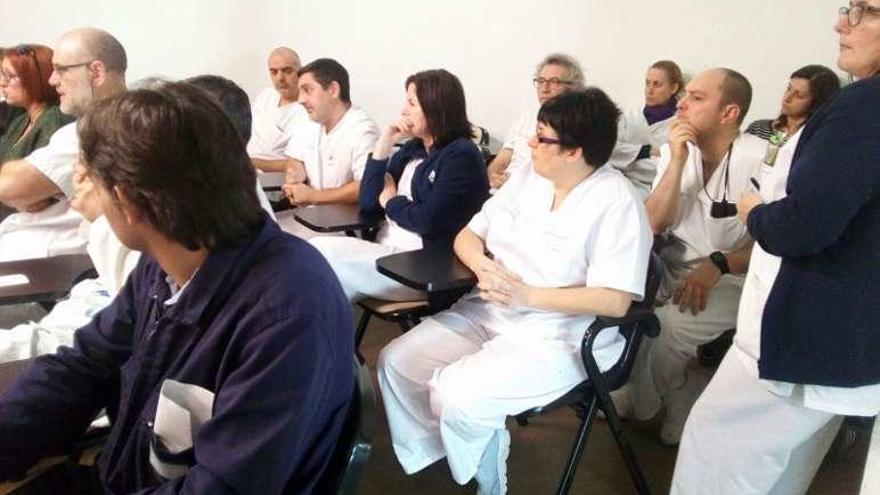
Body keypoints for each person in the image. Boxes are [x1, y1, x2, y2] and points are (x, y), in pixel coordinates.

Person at [0, 82, 355, 494]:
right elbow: (84, 365)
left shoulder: (285, 315)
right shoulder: (166, 265)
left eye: (89, 182)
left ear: (127, 203)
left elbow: (224, 487)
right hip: (130, 475)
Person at [378, 88, 652, 494]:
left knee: (458, 395)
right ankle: (461, 449)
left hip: (560, 335)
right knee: (395, 362)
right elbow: (468, 235)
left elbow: (614, 299)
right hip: (490, 311)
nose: (530, 143)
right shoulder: (529, 177)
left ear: (574, 151)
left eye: (541, 138)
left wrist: (529, 297)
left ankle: (490, 479)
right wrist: (483, 265)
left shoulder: (617, 203)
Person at [672, 4, 880, 493]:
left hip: (808, 332)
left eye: (865, 11)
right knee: (780, 465)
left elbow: (802, 226)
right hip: (847, 334)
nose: (841, 24)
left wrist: (754, 211)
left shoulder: (862, 108)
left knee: (717, 449)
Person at [0, 74, 276, 364]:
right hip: (98, 299)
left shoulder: (266, 306)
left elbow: (157, 347)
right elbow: (99, 347)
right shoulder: (153, 271)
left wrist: (102, 220)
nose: (54, 78)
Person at [621, 68, 765, 446]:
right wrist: (677, 163)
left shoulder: (761, 160)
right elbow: (654, 222)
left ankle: (647, 404)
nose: (681, 103)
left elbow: (772, 239)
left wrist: (718, 266)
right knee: (623, 309)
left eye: (697, 97)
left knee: (668, 327)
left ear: (729, 113)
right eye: (685, 94)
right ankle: (674, 391)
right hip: (668, 267)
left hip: (733, 276)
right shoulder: (674, 150)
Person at [311, 69, 489, 302]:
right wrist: (382, 148)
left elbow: (427, 221)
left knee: (319, 254)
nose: (403, 111)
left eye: (412, 103)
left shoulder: (461, 156)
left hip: (421, 265)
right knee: (323, 285)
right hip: (388, 254)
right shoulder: (412, 149)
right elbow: (367, 205)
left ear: (436, 108)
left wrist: (391, 201)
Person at [0, 28, 127, 261]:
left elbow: (8, 186)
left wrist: (19, 191)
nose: (52, 80)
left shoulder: (101, 129)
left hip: (48, 256)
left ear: (96, 72)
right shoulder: (80, 126)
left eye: (60, 70)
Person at [277, 58, 378, 236]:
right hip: (310, 216)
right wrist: (295, 175)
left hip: (343, 227)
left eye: (307, 90)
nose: (300, 99)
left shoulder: (362, 130)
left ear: (333, 90)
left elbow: (366, 185)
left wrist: (313, 196)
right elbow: (294, 158)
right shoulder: (310, 121)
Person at [486, 53, 584, 190]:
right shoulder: (526, 118)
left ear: (573, 87)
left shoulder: (580, 122)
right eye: (541, 81)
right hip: (501, 193)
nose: (545, 88)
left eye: (554, 81)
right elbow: (500, 161)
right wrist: (494, 176)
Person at [622, 60, 686, 198]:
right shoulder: (629, 116)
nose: (650, 90)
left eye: (657, 84)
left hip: (654, 191)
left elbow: (668, 165)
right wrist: (647, 151)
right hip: (618, 182)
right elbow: (609, 150)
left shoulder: (681, 124)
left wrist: (627, 158)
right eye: (647, 83)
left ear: (673, 88)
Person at [0, 44, 74, 162]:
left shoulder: (53, 122)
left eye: (10, 76)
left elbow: (40, 177)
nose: (2, 83)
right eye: (3, 75)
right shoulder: (22, 120)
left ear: (35, 78)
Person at [247, 47, 312, 173]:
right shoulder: (265, 96)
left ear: (301, 72)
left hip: (275, 182)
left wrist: (249, 162)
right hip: (245, 173)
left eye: (287, 71)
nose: (280, 78)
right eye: (274, 72)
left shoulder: (307, 110)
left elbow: (298, 164)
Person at [745, 65, 841, 144]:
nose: (787, 98)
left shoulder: (815, 141)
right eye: (788, 88)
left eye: (799, 95)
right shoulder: (758, 129)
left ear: (816, 102)